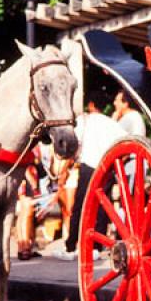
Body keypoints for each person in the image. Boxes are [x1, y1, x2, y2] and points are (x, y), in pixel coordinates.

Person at [53, 90, 127, 260]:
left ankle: (72, 245)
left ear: (91, 104)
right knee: (102, 206)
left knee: (80, 206)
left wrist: (65, 169)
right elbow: (125, 142)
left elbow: (72, 147)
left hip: (88, 165)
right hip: (106, 166)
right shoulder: (111, 123)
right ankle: (96, 246)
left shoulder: (83, 121)